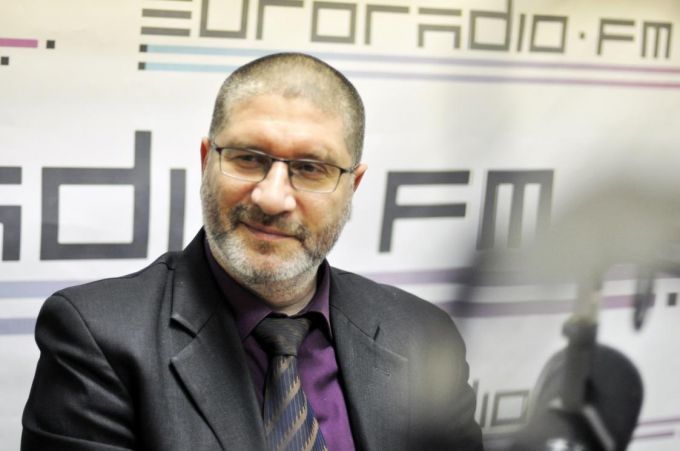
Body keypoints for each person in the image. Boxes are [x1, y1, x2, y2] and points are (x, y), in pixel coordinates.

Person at [21, 53, 483, 451]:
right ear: (207, 161)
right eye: (248, 158)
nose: (272, 198)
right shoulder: (97, 336)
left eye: (311, 168)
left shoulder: (425, 338)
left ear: (352, 186)